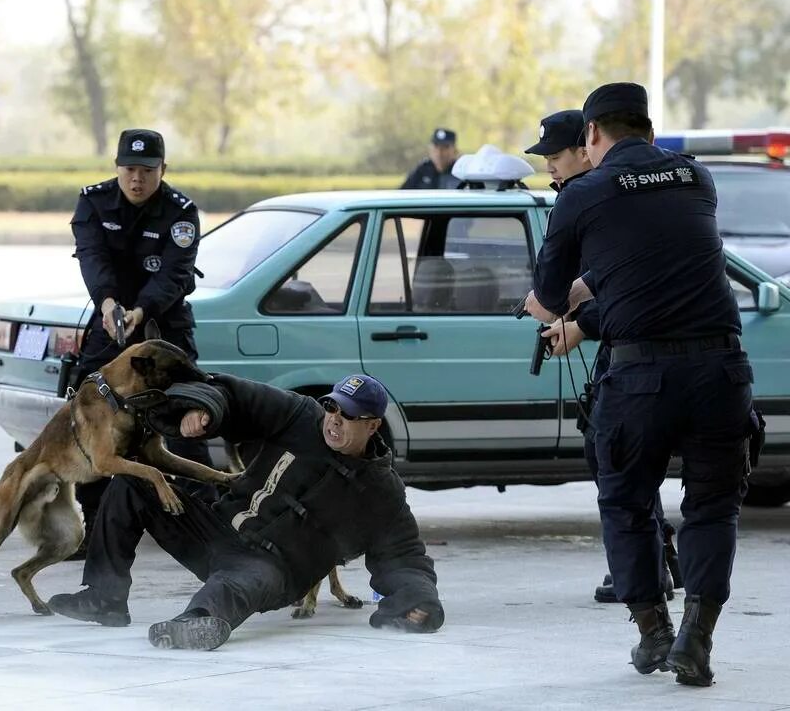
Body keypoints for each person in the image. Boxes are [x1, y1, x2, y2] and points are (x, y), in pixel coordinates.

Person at [526, 83, 754, 686]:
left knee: (625, 503)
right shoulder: (696, 180)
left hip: (640, 380)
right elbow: (661, 263)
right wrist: (598, 286)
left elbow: (550, 299)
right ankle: (696, 641)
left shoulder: (581, 193)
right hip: (720, 372)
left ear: (592, 136)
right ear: (650, 133)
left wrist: (554, 304)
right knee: (712, 507)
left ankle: (653, 632)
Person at [45, 373, 443, 651]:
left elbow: (405, 555)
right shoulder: (302, 416)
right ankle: (104, 597)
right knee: (133, 485)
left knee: (237, 583)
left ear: (372, 426)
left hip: (273, 569)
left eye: (348, 417)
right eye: (332, 410)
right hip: (215, 529)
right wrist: (206, 409)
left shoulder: (380, 491)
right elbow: (238, 396)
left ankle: (196, 622)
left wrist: (416, 598)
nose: (334, 422)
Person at [524, 109, 681, 604]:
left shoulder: (595, 198)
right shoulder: (601, 195)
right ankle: (659, 559)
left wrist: (577, 321)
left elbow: (628, 289)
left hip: (636, 348)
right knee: (620, 456)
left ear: (586, 146)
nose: (549, 165)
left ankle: (645, 572)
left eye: (555, 155)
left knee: (615, 456)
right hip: (624, 342)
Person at [68, 128, 214, 554]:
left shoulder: (180, 211)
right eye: (129, 170)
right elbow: (92, 256)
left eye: (147, 171)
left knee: (188, 416)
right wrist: (109, 302)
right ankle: (95, 529)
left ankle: (205, 525)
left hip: (162, 325)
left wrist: (142, 310)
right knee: (90, 418)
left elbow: (174, 273)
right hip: (109, 319)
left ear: (162, 170)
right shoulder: (93, 201)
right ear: (117, 169)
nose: (137, 179)